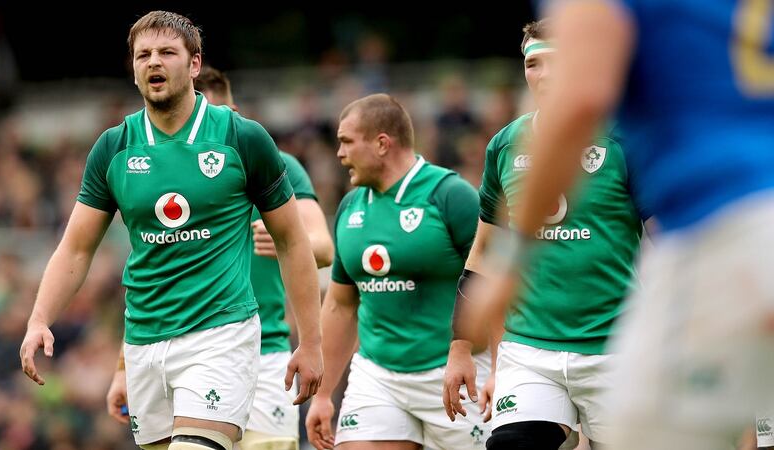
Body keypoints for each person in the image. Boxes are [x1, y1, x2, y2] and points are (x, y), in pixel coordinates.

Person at [467, 1, 774, 450]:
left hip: (717, 231)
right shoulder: (505, 145)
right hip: (743, 228)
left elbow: (581, 99)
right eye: (533, 63)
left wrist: (512, 262)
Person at [19, 11, 324, 450]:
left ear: (194, 64)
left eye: (166, 52)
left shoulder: (241, 138)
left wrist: (310, 343)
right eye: (143, 55)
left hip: (221, 335)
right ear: (133, 69)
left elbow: (293, 241)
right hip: (144, 342)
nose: (153, 62)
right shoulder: (114, 147)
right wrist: (39, 319)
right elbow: (76, 248)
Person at [104, 65, 334, 450]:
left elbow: (324, 249)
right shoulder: (163, 176)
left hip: (265, 350)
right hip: (182, 347)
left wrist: (286, 241)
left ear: (233, 112)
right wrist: (122, 368)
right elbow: (150, 274)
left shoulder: (273, 163)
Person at [443, 19, 647, 450]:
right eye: (532, 64)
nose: (543, 74)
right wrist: (461, 347)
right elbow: (484, 253)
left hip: (616, 346)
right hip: (529, 351)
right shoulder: (505, 146)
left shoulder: (625, 140)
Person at [304, 93, 490, 450]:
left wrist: (499, 368)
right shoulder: (350, 207)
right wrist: (323, 394)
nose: (339, 153)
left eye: (346, 142)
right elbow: (341, 305)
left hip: (454, 371)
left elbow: (497, 281)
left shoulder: (451, 196)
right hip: (378, 376)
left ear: (381, 143)